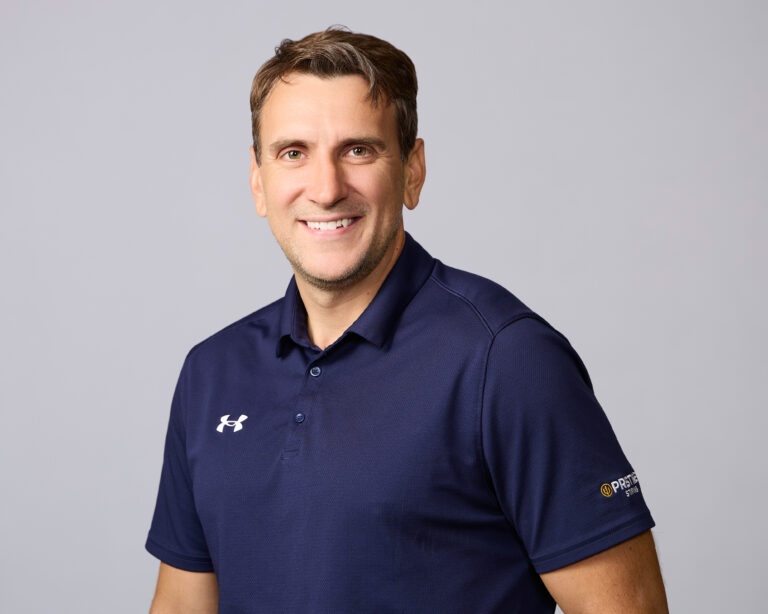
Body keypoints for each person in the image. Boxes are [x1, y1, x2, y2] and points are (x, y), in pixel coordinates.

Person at [146, 27, 668, 613]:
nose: (325, 189)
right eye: (294, 153)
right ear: (258, 179)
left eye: (358, 150)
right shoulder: (211, 373)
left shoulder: (507, 360)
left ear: (412, 170)